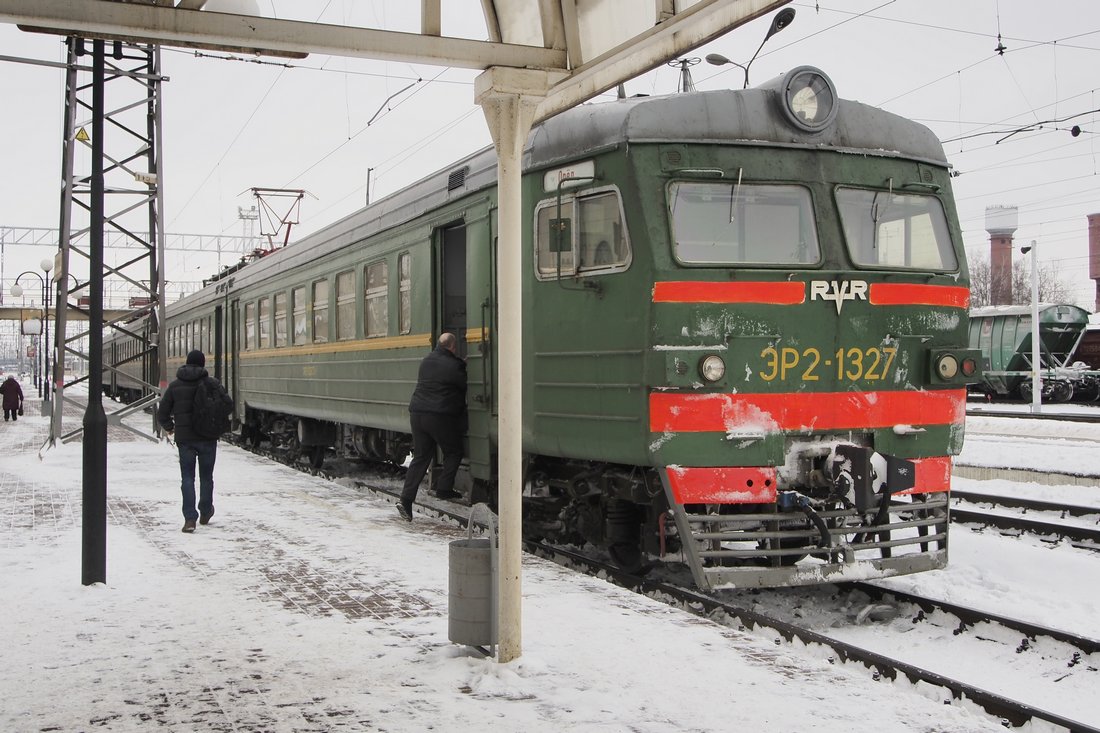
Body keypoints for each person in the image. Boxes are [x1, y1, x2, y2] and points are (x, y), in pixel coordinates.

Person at [398, 332, 467, 521]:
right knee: (453, 451)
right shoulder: (455, 365)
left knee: (421, 457)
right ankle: (444, 489)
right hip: (438, 415)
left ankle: (405, 501)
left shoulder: (426, 360)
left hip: (417, 414)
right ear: (453, 347)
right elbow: (463, 385)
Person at [157, 350, 222, 533]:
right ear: (202, 365)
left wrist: (170, 427)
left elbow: (161, 414)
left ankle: (189, 519)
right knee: (206, 477)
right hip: (207, 438)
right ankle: (206, 510)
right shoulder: (212, 385)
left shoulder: (175, 386)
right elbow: (226, 406)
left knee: (187, 477)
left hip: (185, 439)